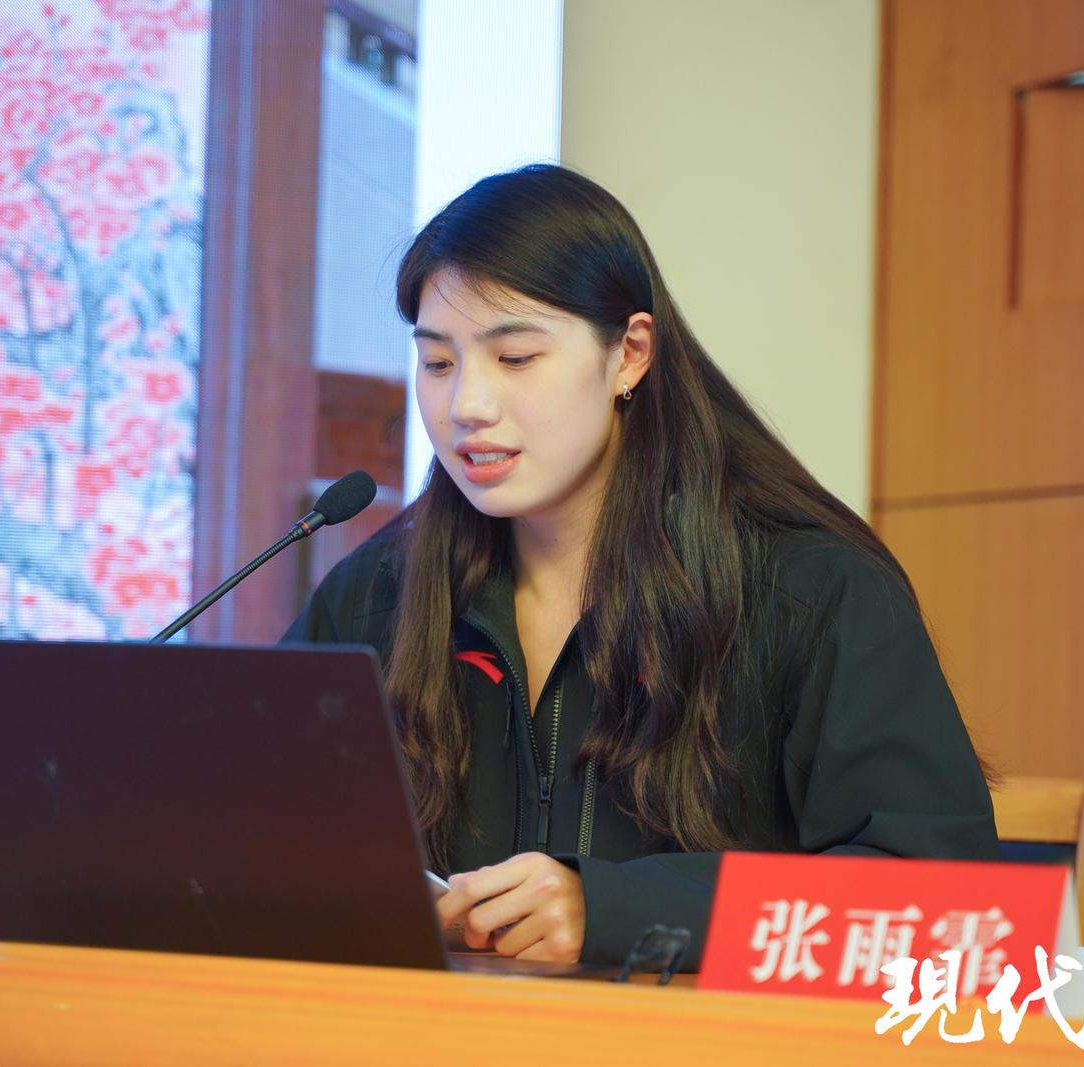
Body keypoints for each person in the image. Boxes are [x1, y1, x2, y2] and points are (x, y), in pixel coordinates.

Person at [283, 164, 998, 969]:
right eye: (438, 363)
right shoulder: (378, 592)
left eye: (515, 356)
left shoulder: (809, 587)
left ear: (628, 354)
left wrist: (618, 910)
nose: (465, 406)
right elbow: (258, 827)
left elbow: (944, 905)